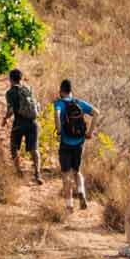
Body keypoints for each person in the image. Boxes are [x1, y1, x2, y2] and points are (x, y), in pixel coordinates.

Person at [50, 79, 96, 210]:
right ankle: (81, 191)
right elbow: (96, 113)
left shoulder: (59, 103)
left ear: (61, 91)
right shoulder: (79, 103)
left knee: (65, 174)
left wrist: (59, 131)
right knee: (77, 172)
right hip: (79, 143)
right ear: (71, 91)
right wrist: (89, 133)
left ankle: (69, 204)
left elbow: (57, 114)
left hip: (65, 143)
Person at [0, 68, 43, 185]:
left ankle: (19, 172)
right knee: (34, 149)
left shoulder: (10, 93)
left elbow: (11, 110)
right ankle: (37, 173)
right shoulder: (28, 89)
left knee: (14, 148)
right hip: (33, 123)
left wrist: (5, 119)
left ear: (11, 79)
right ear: (21, 78)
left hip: (19, 123)